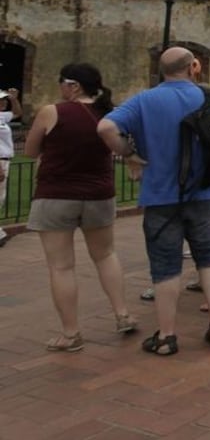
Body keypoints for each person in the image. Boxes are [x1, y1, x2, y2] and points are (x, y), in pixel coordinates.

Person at [97, 47, 210, 356]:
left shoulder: (144, 100)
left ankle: (167, 335)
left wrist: (129, 153)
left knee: (165, 263)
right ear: (193, 67)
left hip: (161, 194)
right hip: (204, 191)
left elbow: (105, 127)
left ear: (161, 69)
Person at [23, 65, 135, 351]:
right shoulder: (108, 114)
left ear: (73, 86)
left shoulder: (53, 112)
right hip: (98, 193)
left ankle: (71, 333)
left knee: (61, 266)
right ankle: (122, 314)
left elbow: (31, 150)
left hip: (56, 194)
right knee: (106, 254)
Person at [0, 88, 22, 248]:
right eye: (1, 100)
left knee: (1, 198)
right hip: (0, 161)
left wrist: (14, 99)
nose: (4, 102)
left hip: (5, 160)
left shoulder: (2, 117)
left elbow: (17, 113)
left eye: (5, 100)